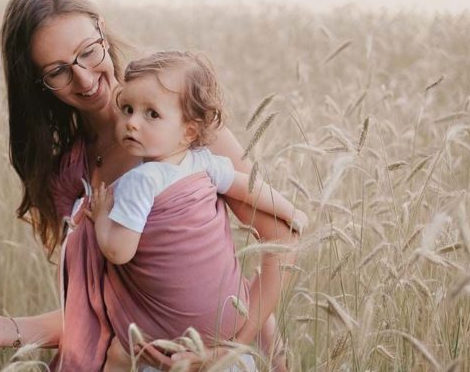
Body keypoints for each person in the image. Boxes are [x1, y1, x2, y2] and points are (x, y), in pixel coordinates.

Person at [0, 0, 300, 372]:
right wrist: (1, 329)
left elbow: (282, 243)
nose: (85, 80)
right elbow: (92, 316)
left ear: (102, 31)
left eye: (88, 52)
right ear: (38, 84)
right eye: (58, 71)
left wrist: (231, 349)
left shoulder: (185, 133)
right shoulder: (69, 176)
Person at [84, 50, 307, 371]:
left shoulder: (141, 180)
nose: (132, 122)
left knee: (118, 356)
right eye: (127, 109)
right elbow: (248, 186)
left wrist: (102, 218)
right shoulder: (204, 162)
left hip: (176, 343)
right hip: (231, 327)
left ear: (188, 131)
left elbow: (119, 251)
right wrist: (291, 212)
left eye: (151, 115)